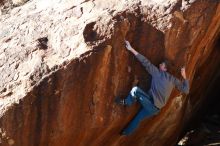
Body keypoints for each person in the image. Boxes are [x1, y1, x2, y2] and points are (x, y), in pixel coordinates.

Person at [115, 40, 190, 135]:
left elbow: (145, 62)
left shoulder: (157, 73)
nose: (159, 65)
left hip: (150, 104)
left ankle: (127, 102)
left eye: (161, 65)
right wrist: (184, 77)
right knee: (137, 118)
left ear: (165, 69)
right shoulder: (173, 80)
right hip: (155, 110)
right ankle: (125, 133)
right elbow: (186, 90)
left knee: (135, 90)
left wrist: (131, 49)